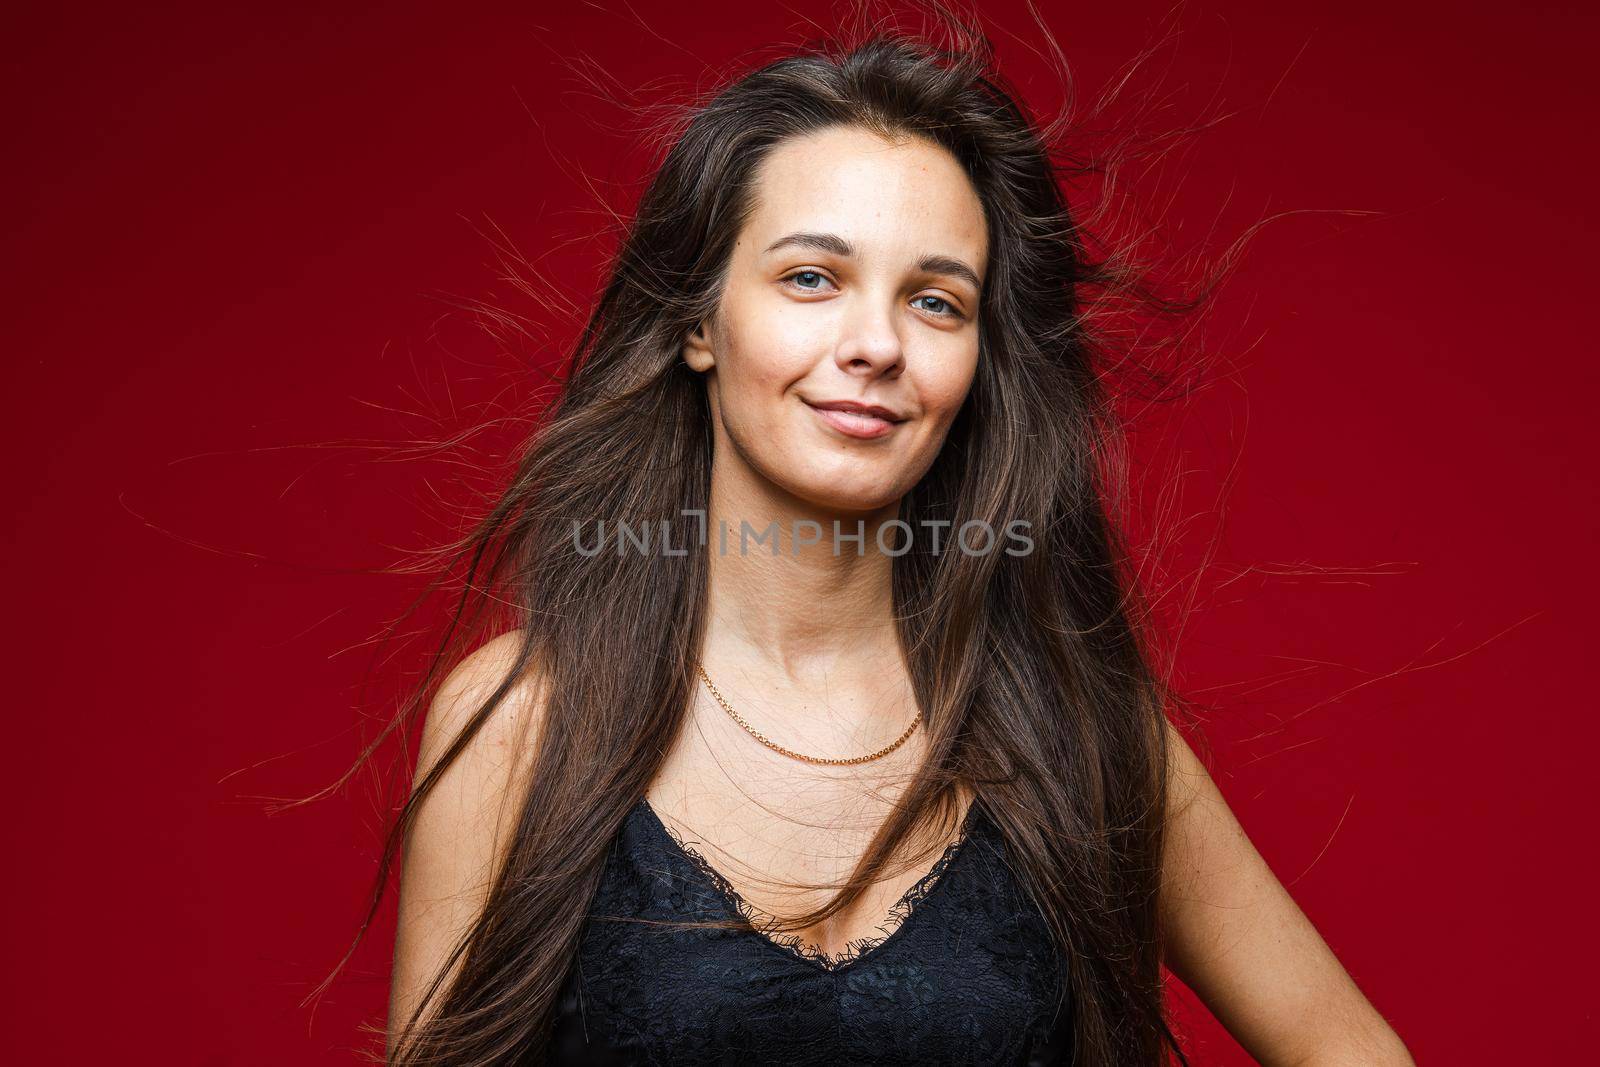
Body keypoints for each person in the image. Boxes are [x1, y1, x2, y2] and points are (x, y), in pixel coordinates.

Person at [376, 19, 1414, 1067]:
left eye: (933, 300)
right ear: (700, 323)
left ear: (975, 357)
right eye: (811, 278)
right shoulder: (520, 723)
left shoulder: (1079, 727)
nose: (876, 345)